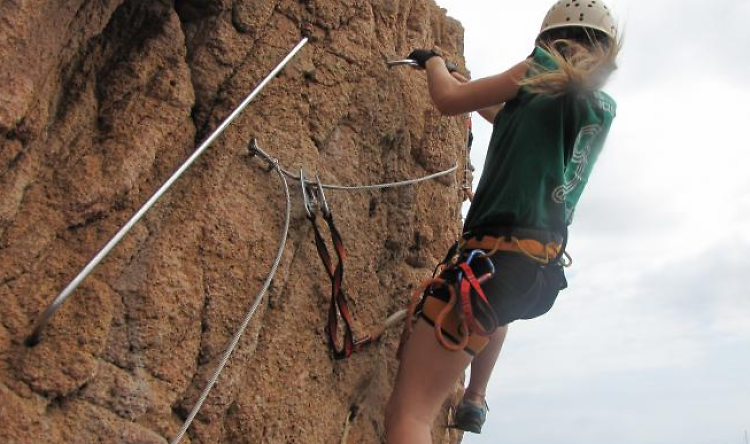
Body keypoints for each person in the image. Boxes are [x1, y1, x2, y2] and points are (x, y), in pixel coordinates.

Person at [384, 1, 620, 443]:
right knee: (496, 303)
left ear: (552, 38)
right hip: (534, 272)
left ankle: (472, 393)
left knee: (409, 414)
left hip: (493, 260)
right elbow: (508, 118)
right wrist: (467, 83)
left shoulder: (541, 66)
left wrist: (432, 62)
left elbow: (447, 101)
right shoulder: (598, 105)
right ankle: (475, 394)